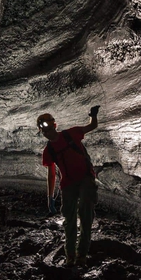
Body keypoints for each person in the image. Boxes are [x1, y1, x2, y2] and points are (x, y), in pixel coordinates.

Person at [37, 106, 100, 266]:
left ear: (55, 126)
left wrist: (93, 115)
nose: (47, 134)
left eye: (49, 130)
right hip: (68, 184)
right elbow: (51, 174)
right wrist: (50, 197)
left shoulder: (71, 134)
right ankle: (70, 256)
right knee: (69, 221)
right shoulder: (48, 150)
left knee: (86, 215)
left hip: (86, 179)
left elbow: (91, 126)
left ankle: (82, 256)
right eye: (44, 132)